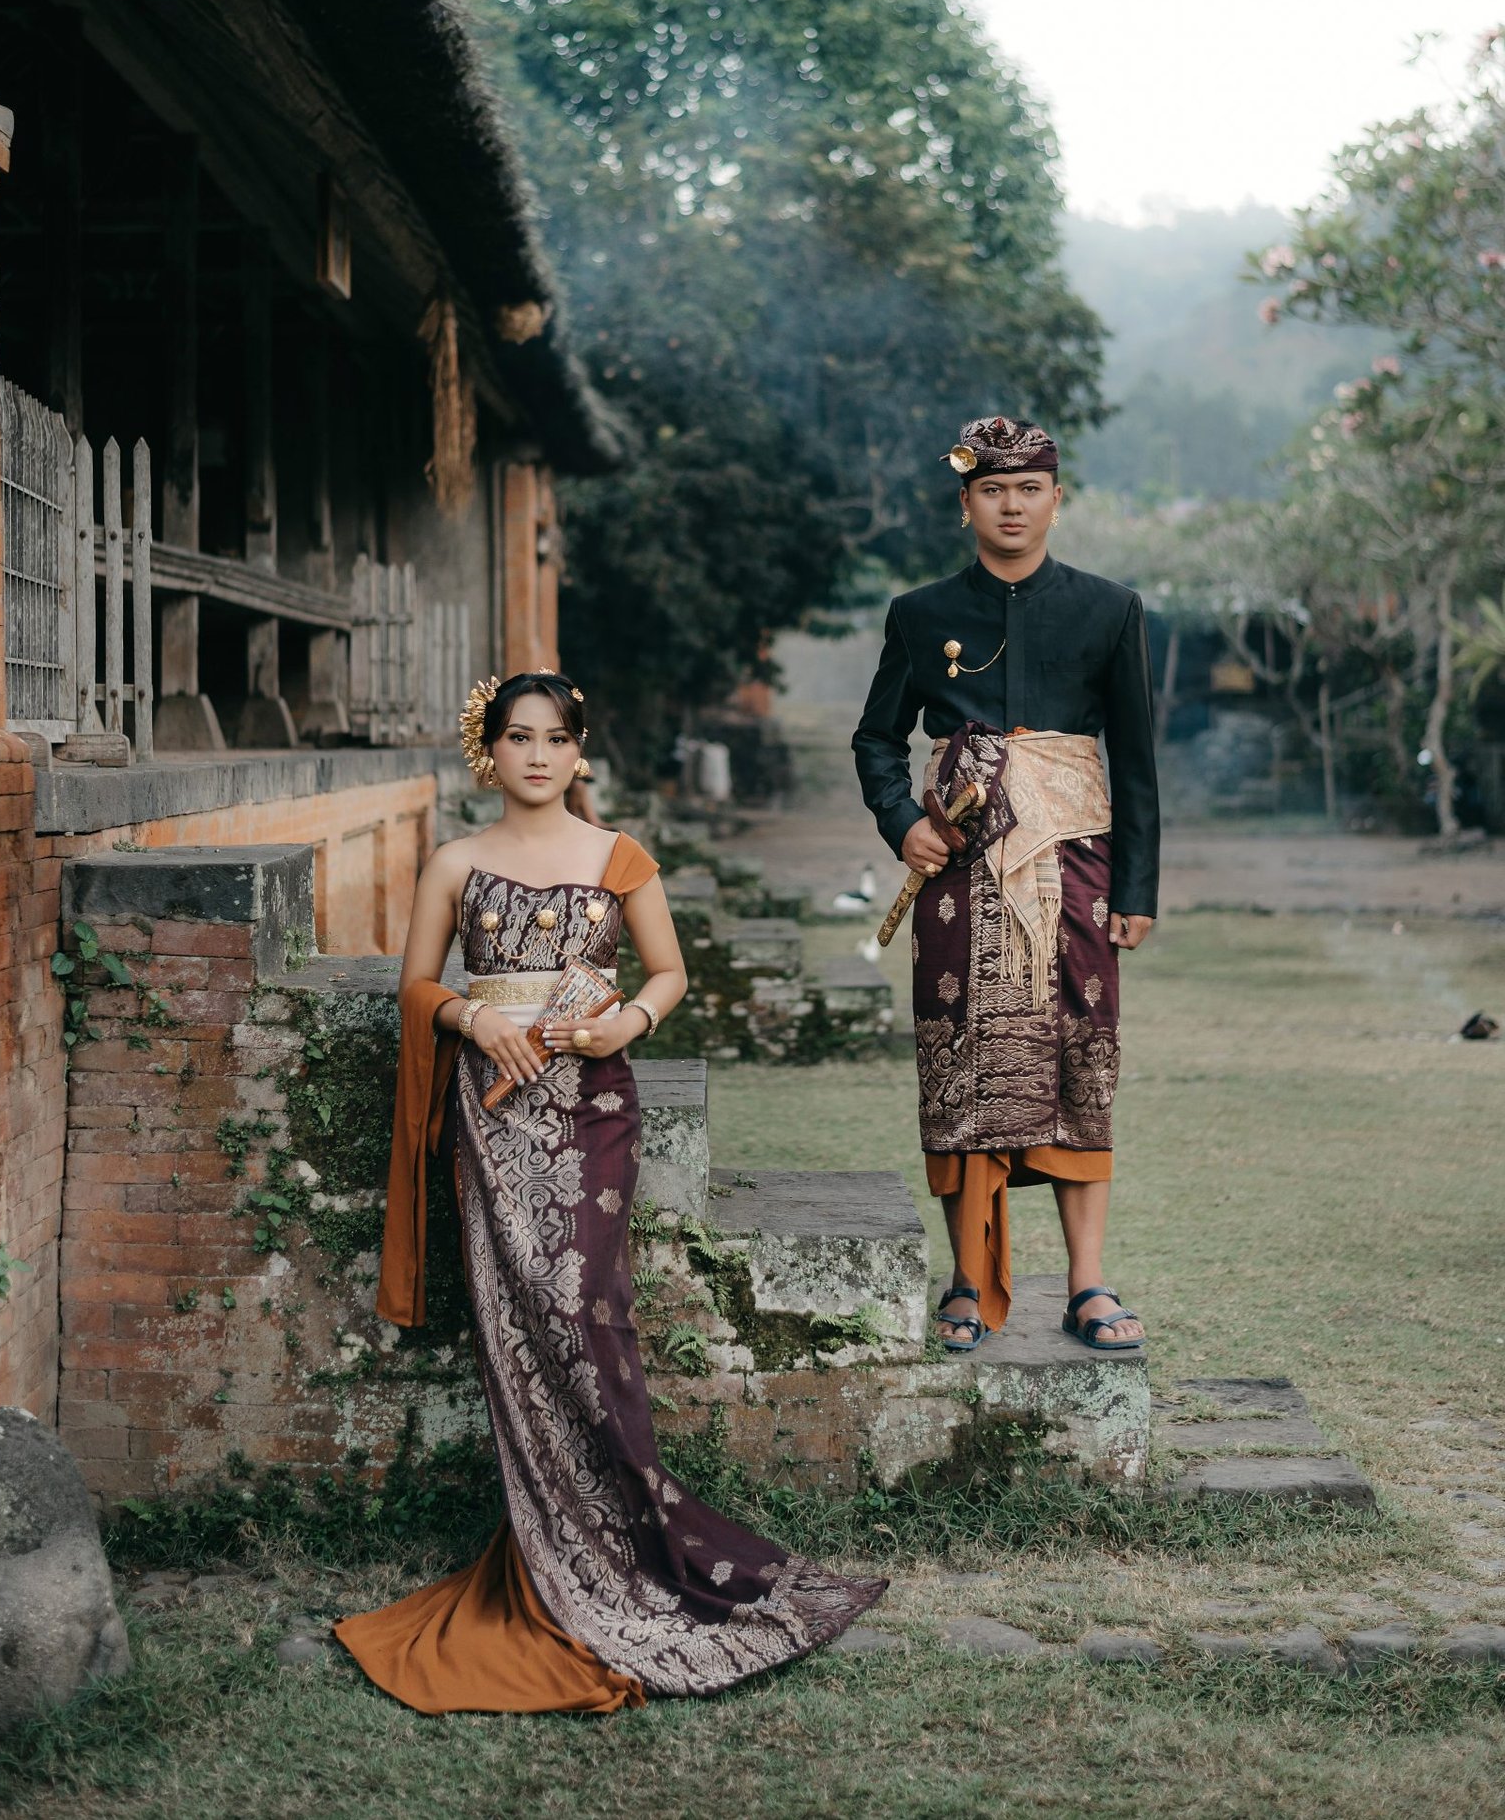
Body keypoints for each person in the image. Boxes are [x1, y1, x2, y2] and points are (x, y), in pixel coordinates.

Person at [335, 670, 884, 1712]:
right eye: (518, 737)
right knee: (514, 1324)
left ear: (579, 751)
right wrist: (470, 1015)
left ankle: (634, 1541)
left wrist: (623, 1023)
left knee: (587, 1318)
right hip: (491, 1115)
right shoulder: (453, 861)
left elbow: (668, 972)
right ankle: (552, 1548)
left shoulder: (618, 856)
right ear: (489, 750)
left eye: (556, 738)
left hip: (590, 1110)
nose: (537, 755)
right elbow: (416, 985)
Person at [851, 417, 1159, 1357]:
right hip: (960, 868)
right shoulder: (920, 613)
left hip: (1077, 867)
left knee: (1080, 1062)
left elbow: (1136, 761)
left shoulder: (1111, 610)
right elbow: (876, 739)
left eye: (1029, 489)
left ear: (1056, 498)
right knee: (963, 1060)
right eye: (993, 489)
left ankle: (1087, 1282)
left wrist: (1137, 889)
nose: (1012, 506)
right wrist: (902, 822)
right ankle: (968, 1279)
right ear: (966, 503)